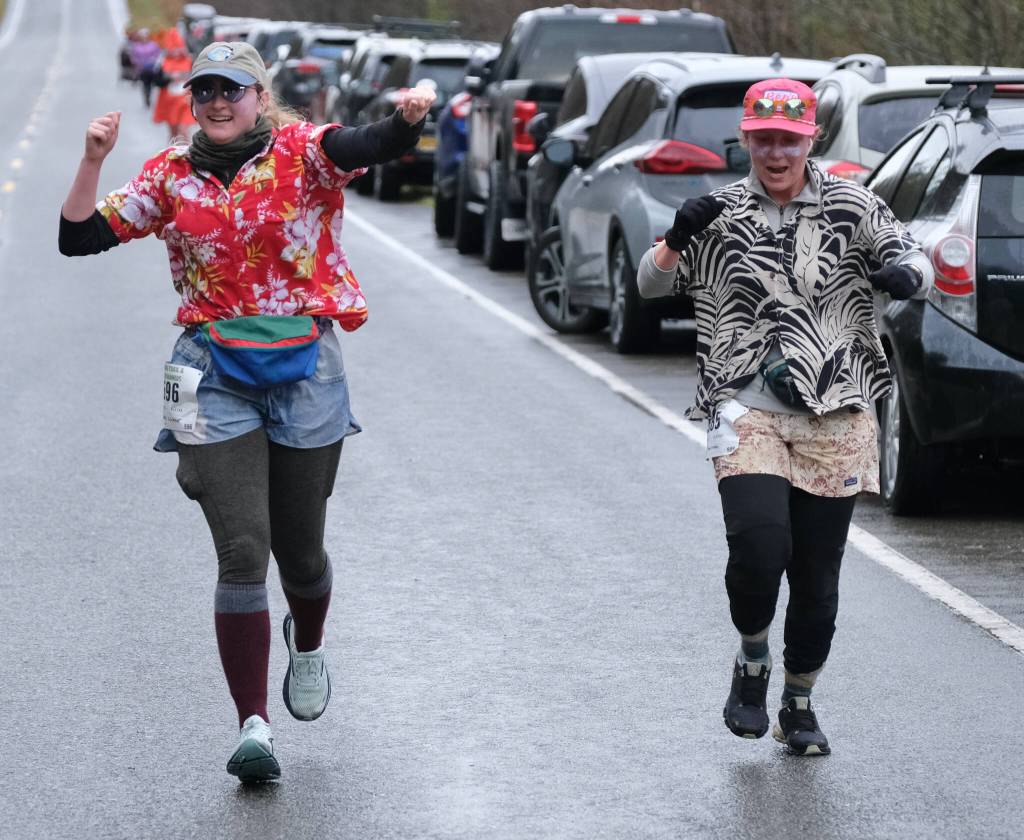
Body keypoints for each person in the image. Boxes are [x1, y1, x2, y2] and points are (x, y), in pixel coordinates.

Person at [59, 41, 436, 782]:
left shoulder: (305, 153)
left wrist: (406, 119)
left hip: (306, 371)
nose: (217, 102)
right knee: (242, 549)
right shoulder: (169, 174)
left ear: (260, 96)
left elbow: (369, 143)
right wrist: (94, 157)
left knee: (301, 553)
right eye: (205, 91)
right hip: (209, 370)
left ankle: (312, 637)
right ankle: (254, 726)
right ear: (193, 100)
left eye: (232, 90)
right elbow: (77, 237)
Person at [637, 79, 933, 756]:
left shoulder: (852, 205)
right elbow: (649, 287)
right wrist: (677, 238)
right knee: (759, 548)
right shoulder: (718, 213)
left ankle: (797, 702)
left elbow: (913, 255)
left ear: (810, 142)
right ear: (745, 140)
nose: (776, 152)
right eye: (763, 139)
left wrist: (906, 275)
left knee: (817, 577)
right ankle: (751, 662)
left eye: (789, 141)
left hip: (837, 412)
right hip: (745, 407)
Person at [151, 28, 196, 141]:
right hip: (169, 102)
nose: (176, 51)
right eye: (173, 48)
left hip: (185, 101)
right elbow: (157, 81)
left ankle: (188, 156)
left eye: (178, 48)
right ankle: (173, 156)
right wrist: (170, 78)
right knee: (173, 133)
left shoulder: (190, 60)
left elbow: (198, 77)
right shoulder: (162, 61)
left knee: (183, 130)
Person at [129, 28, 162, 108]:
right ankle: (146, 97)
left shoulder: (154, 45)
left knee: (152, 85)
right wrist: (138, 64)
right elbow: (134, 57)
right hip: (142, 70)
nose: (144, 38)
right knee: (145, 85)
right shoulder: (136, 46)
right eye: (142, 36)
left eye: (145, 36)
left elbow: (159, 55)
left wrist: (154, 61)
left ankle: (149, 96)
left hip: (152, 69)